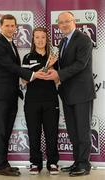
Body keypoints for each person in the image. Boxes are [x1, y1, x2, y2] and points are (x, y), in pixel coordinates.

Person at [0, 14, 44, 176]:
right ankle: (0, 166)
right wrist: (32, 75)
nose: (11, 28)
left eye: (13, 26)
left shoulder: (9, 43)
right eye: (7, 26)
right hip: (0, 95)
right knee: (0, 131)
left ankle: (0, 163)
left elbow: (12, 69)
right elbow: (10, 67)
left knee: (4, 131)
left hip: (10, 94)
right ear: (0, 27)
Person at [43, 12, 96, 176]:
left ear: (74, 22)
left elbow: (80, 64)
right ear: (58, 25)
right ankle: (77, 162)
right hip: (67, 93)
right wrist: (50, 66)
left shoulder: (83, 39)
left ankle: (84, 164)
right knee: (73, 131)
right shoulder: (62, 42)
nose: (64, 24)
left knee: (82, 129)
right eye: (61, 23)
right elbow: (61, 64)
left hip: (81, 93)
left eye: (67, 21)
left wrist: (58, 74)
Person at [22, 27, 59, 175]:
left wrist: (51, 67)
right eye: (37, 37)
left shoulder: (54, 57)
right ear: (33, 39)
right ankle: (35, 162)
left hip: (51, 101)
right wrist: (39, 72)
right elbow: (24, 80)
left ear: (46, 39)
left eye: (43, 37)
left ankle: (53, 163)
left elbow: (58, 79)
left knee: (51, 133)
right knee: (33, 133)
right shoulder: (27, 57)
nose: (40, 40)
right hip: (32, 102)